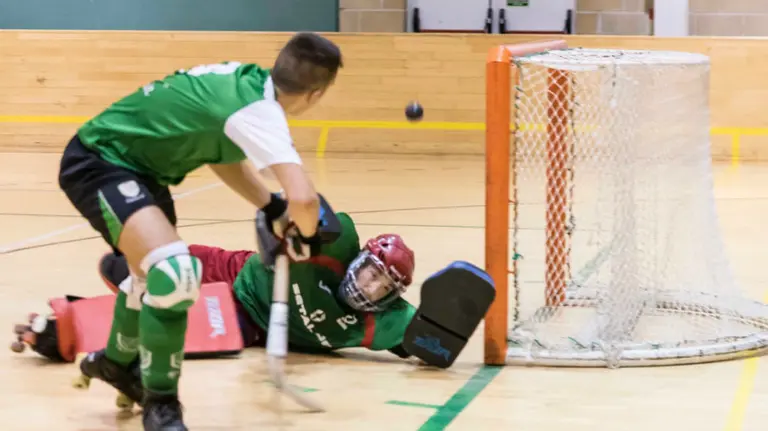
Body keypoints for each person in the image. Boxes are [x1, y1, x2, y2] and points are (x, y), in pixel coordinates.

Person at [55, 32, 343, 430]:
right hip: (99, 162)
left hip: (140, 171)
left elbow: (220, 155)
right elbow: (305, 200)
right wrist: (307, 240)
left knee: (150, 278)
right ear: (317, 94)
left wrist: (271, 206)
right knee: (176, 273)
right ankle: (162, 403)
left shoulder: (240, 82)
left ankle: (115, 363)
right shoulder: (260, 111)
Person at [12, 212, 418, 366]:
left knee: (173, 321)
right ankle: (132, 289)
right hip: (239, 268)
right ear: (359, 259)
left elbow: (429, 343)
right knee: (122, 261)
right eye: (371, 272)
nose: (371, 286)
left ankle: (66, 325)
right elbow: (305, 212)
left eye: (383, 286)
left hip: (246, 317)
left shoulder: (385, 322)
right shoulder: (338, 240)